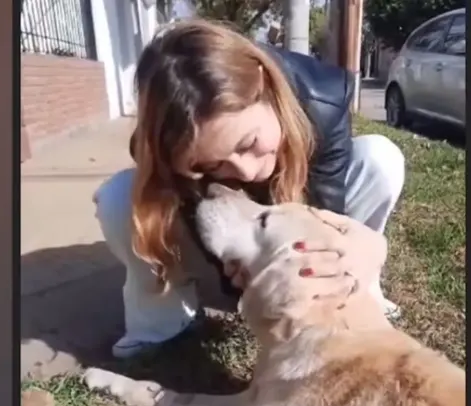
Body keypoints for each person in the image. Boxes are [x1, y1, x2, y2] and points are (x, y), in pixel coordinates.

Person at [95, 19, 406, 359]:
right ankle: (161, 320)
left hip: (282, 230)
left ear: (265, 85)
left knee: (380, 158)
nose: (245, 170)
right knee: (120, 196)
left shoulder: (324, 99)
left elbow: (324, 212)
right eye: (212, 166)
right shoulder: (168, 145)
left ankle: (359, 288)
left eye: (248, 143)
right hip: (238, 239)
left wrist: (355, 251)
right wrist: (240, 275)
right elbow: (212, 231)